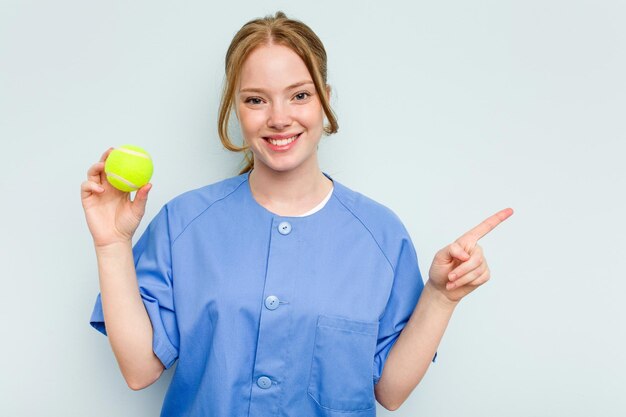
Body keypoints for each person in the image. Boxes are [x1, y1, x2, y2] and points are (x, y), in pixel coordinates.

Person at [81, 11, 512, 417]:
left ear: (324, 101)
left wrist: (441, 296)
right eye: (256, 100)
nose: (279, 118)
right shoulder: (184, 223)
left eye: (300, 95)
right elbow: (140, 370)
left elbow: (391, 391)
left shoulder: (380, 234)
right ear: (236, 108)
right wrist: (112, 244)